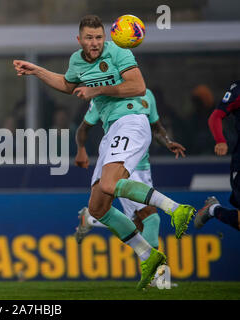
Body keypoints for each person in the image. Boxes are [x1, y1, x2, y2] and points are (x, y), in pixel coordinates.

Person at [13, 14, 195, 290]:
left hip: (132, 122)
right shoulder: (76, 61)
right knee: (98, 207)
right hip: (113, 131)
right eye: (89, 38)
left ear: (105, 37)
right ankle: (149, 256)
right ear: (79, 40)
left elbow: (138, 86)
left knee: (113, 187)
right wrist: (37, 70)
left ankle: (177, 209)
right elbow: (67, 84)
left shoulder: (119, 51)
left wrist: (96, 89)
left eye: (99, 37)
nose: (95, 42)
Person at [74, 88, 186, 263]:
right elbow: (83, 128)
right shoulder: (102, 96)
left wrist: (168, 142)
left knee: (137, 224)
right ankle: (157, 273)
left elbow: (156, 127)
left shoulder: (147, 94)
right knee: (151, 218)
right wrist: (81, 150)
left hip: (143, 165)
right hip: (122, 162)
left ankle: (91, 218)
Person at [195, 80, 240, 231]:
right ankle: (213, 209)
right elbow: (215, 117)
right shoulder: (238, 90)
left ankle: (213, 209)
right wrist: (220, 141)